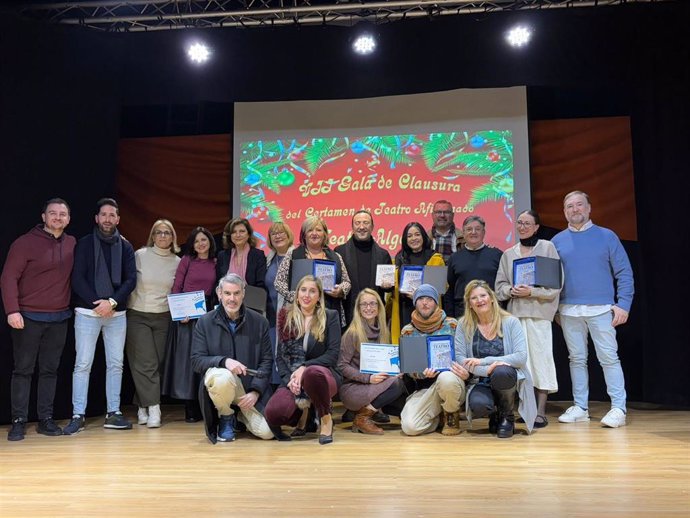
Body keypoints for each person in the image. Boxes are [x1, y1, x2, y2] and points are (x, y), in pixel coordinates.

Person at [552, 191, 634, 428]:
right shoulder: (557, 241)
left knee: (608, 358)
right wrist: (556, 308)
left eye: (579, 205)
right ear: (564, 211)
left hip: (602, 309)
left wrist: (623, 305)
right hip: (569, 310)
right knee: (576, 359)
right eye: (569, 206)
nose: (575, 209)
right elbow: (553, 280)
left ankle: (618, 408)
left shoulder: (607, 236)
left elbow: (624, 273)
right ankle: (581, 407)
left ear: (589, 208)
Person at [1, 198, 76, 441]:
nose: (57, 217)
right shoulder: (24, 243)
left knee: (50, 371)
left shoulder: (73, 243)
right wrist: (12, 310)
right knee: (23, 370)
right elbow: (8, 278)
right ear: (43, 217)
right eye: (52, 213)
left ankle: (45, 419)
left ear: (68, 219)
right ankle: (19, 421)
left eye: (62, 214)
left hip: (59, 317)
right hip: (28, 316)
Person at [63, 198, 137, 434]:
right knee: (83, 364)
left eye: (112, 215)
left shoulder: (126, 247)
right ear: (97, 218)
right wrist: (98, 304)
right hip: (88, 312)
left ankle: (113, 413)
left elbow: (131, 280)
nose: (107, 219)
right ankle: (78, 415)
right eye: (103, 214)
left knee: (116, 364)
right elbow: (77, 279)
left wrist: (112, 302)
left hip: (117, 314)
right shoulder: (84, 244)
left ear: (117, 219)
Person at [495, 210, 561, 428]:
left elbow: (555, 287)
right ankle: (521, 409)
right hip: (515, 316)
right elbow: (499, 288)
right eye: (519, 223)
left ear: (536, 227)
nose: (522, 227)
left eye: (527, 223)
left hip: (539, 315)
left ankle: (540, 411)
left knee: (541, 362)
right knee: (521, 364)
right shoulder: (508, 254)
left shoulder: (547, 248)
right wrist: (511, 291)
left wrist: (531, 292)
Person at [190, 273, 274, 443]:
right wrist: (224, 361)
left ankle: (241, 417)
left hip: (248, 389)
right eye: (227, 293)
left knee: (268, 433)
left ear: (244, 294)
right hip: (221, 385)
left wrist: (256, 392)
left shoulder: (260, 322)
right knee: (223, 376)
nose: (232, 299)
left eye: (236, 293)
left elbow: (266, 361)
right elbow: (196, 361)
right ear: (219, 294)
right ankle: (226, 416)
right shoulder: (204, 322)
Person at [264, 275, 342, 445]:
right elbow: (280, 356)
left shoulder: (330, 316)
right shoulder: (286, 316)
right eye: (303, 290)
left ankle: (325, 418)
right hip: (293, 377)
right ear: (297, 293)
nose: (307, 295)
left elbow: (332, 355)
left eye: (312, 291)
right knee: (274, 413)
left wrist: (304, 368)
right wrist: (290, 380)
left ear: (319, 295)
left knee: (312, 373)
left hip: (323, 375)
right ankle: (303, 415)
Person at [455, 280, 537, 438]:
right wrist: (486, 370)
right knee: (478, 405)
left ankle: (507, 416)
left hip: (506, 377)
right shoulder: (463, 325)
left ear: (491, 298)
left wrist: (486, 361)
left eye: (483, 295)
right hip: (480, 379)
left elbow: (521, 357)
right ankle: (495, 413)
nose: (479, 300)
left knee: (501, 371)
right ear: (469, 304)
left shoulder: (511, 322)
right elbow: (460, 359)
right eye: (474, 298)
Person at [125, 219, 181, 428]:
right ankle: (155, 408)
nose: (163, 236)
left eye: (167, 232)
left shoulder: (177, 261)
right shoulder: (140, 255)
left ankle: (141, 405)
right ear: (152, 235)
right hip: (138, 314)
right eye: (159, 232)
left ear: (173, 236)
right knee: (145, 363)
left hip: (163, 316)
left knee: (155, 364)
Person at [162, 226, 217, 423]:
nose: (201, 244)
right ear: (192, 245)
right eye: (196, 241)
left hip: (208, 317)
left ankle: (206, 405)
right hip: (186, 319)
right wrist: (180, 312)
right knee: (187, 363)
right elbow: (177, 287)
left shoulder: (216, 262)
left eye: (204, 240)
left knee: (207, 360)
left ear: (210, 241)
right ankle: (190, 407)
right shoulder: (186, 261)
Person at [399, 284, 467, 436]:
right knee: (410, 427)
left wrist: (462, 370)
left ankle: (451, 415)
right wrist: (422, 374)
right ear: (415, 302)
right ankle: (437, 416)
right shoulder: (407, 331)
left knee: (445, 378)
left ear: (436, 302)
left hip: (452, 384)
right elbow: (410, 370)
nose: (425, 302)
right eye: (421, 298)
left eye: (429, 299)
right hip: (425, 389)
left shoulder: (453, 325)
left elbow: (463, 355)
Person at [338, 289, 406, 435]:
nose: (368, 308)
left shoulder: (383, 330)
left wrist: (395, 371)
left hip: (377, 384)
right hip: (354, 387)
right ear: (358, 308)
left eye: (372, 304)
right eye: (364, 304)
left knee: (404, 408)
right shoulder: (353, 333)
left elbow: (386, 361)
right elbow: (342, 366)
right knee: (396, 385)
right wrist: (368, 378)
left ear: (379, 307)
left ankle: (364, 412)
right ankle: (362, 418)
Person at [274, 216, 351, 328]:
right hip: (299, 315)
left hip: (329, 313)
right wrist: (295, 297)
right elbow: (278, 282)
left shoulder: (336, 256)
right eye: (310, 230)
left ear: (325, 234)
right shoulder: (293, 255)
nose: (314, 233)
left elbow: (347, 282)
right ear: (304, 234)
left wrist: (340, 290)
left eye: (319, 230)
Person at [334, 210, 393, 327]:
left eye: (366, 223)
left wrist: (388, 286)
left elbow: (390, 288)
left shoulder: (383, 254)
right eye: (357, 223)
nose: (361, 227)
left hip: (375, 317)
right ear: (352, 227)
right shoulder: (339, 252)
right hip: (348, 315)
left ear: (372, 227)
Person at [390, 222, 444, 343]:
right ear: (405, 239)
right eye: (409, 236)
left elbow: (439, 289)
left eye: (417, 234)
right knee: (407, 344)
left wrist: (418, 296)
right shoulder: (398, 259)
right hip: (404, 309)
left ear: (423, 237)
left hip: (428, 310)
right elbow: (392, 289)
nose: (414, 238)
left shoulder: (435, 258)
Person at [446, 215, 503, 317]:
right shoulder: (454, 258)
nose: (473, 232)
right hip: (463, 313)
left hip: (492, 312)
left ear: (483, 233)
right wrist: (450, 317)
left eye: (477, 229)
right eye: (469, 229)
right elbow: (449, 290)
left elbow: (502, 285)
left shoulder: (497, 255)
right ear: (463, 233)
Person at [264, 221, 295, 386]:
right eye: (273, 233)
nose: (277, 236)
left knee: (288, 355)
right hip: (270, 316)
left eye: (281, 232)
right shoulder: (269, 258)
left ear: (288, 234)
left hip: (290, 315)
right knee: (272, 355)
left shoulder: (297, 255)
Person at [216, 217, 267, 293]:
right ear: (230, 236)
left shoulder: (258, 255)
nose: (238, 235)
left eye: (242, 231)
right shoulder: (222, 256)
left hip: (250, 301)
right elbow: (218, 282)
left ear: (248, 234)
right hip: (227, 301)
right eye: (234, 232)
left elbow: (261, 284)